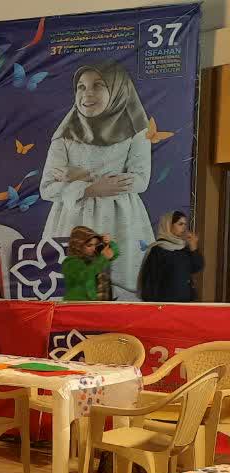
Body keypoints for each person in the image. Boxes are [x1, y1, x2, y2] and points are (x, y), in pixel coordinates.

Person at [41, 62, 152, 300]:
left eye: (98, 85)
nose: (87, 93)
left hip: (120, 220)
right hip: (72, 221)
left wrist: (76, 174)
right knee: (72, 288)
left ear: (118, 90)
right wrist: (90, 188)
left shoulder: (136, 132)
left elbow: (140, 179)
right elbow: (48, 187)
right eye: (81, 87)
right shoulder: (64, 135)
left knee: (120, 288)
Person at [139, 211, 204, 302]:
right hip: (164, 304)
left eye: (185, 224)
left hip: (185, 302)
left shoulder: (183, 248)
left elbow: (197, 267)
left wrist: (194, 247)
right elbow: (149, 281)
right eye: (180, 224)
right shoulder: (158, 250)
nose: (184, 228)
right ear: (169, 225)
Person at [62, 226, 117, 301]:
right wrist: (103, 258)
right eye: (89, 245)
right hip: (77, 305)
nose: (94, 248)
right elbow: (86, 275)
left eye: (95, 244)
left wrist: (110, 243)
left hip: (97, 305)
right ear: (78, 246)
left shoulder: (95, 258)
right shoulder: (69, 263)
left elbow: (114, 254)